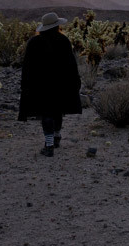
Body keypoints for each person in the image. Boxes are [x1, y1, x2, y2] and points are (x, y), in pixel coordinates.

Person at [19, 12, 83, 156]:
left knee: (46, 112)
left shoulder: (33, 42)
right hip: (61, 83)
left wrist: (25, 84)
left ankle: (49, 145)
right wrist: (75, 80)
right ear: (57, 25)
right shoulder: (63, 40)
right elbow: (71, 64)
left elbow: (27, 66)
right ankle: (56, 136)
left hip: (40, 84)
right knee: (58, 110)